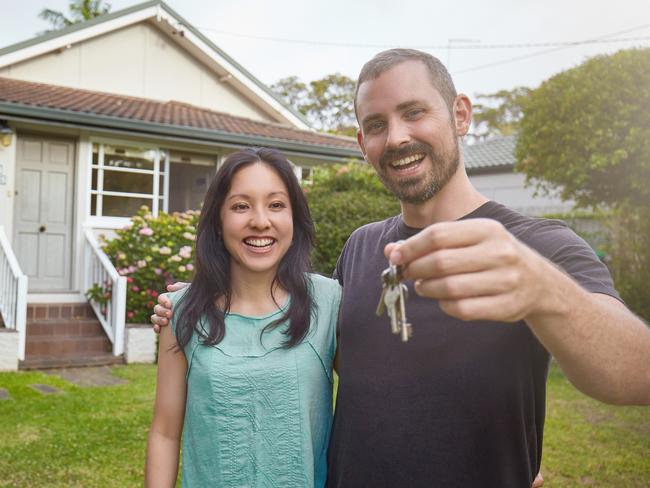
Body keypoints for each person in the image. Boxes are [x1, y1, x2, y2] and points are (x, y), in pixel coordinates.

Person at [152, 49, 650, 487]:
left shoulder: (539, 245)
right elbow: (332, 351)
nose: (396, 137)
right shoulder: (363, 247)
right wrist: (204, 298)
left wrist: (547, 291)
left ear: (460, 114)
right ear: (361, 142)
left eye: (414, 113)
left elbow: (636, 374)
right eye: (376, 125)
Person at [145, 148, 341, 487]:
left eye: (276, 204)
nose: (260, 220)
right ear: (218, 222)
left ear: (295, 218)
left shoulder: (328, 301)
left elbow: (376, 401)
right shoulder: (181, 312)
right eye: (241, 206)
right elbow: (164, 432)